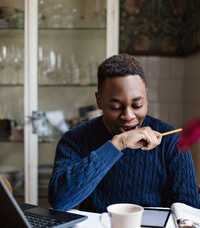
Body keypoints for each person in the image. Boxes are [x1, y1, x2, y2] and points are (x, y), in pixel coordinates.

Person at [48, 53, 200, 212]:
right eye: (115, 107)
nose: (128, 116)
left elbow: (190, 214)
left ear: (146, 98)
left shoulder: (171, 140)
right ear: (99, 101)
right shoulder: (74, 140)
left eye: (137, 105)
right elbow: (60, 201)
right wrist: (117, 144)